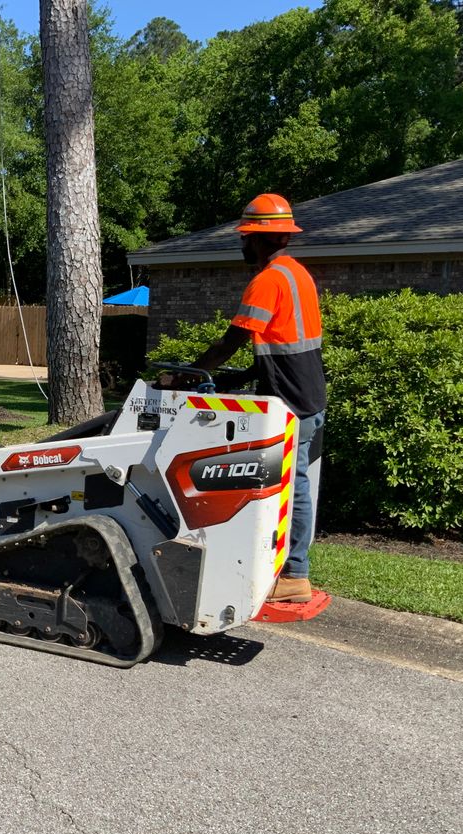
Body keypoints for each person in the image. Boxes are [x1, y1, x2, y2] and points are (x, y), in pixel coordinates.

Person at [159, 193, 326, 602]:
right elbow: (279, 344)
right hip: (305, 391)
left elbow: (231, 341)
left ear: (261, 239)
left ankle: (296, 576)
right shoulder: (297, 274)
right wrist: (244, 379)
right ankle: (277, 564)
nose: (242, 244)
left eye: (246, 236)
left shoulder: (268, 280)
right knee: (287, 483)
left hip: (290, 399)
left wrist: (183, 376)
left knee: (292, 485)